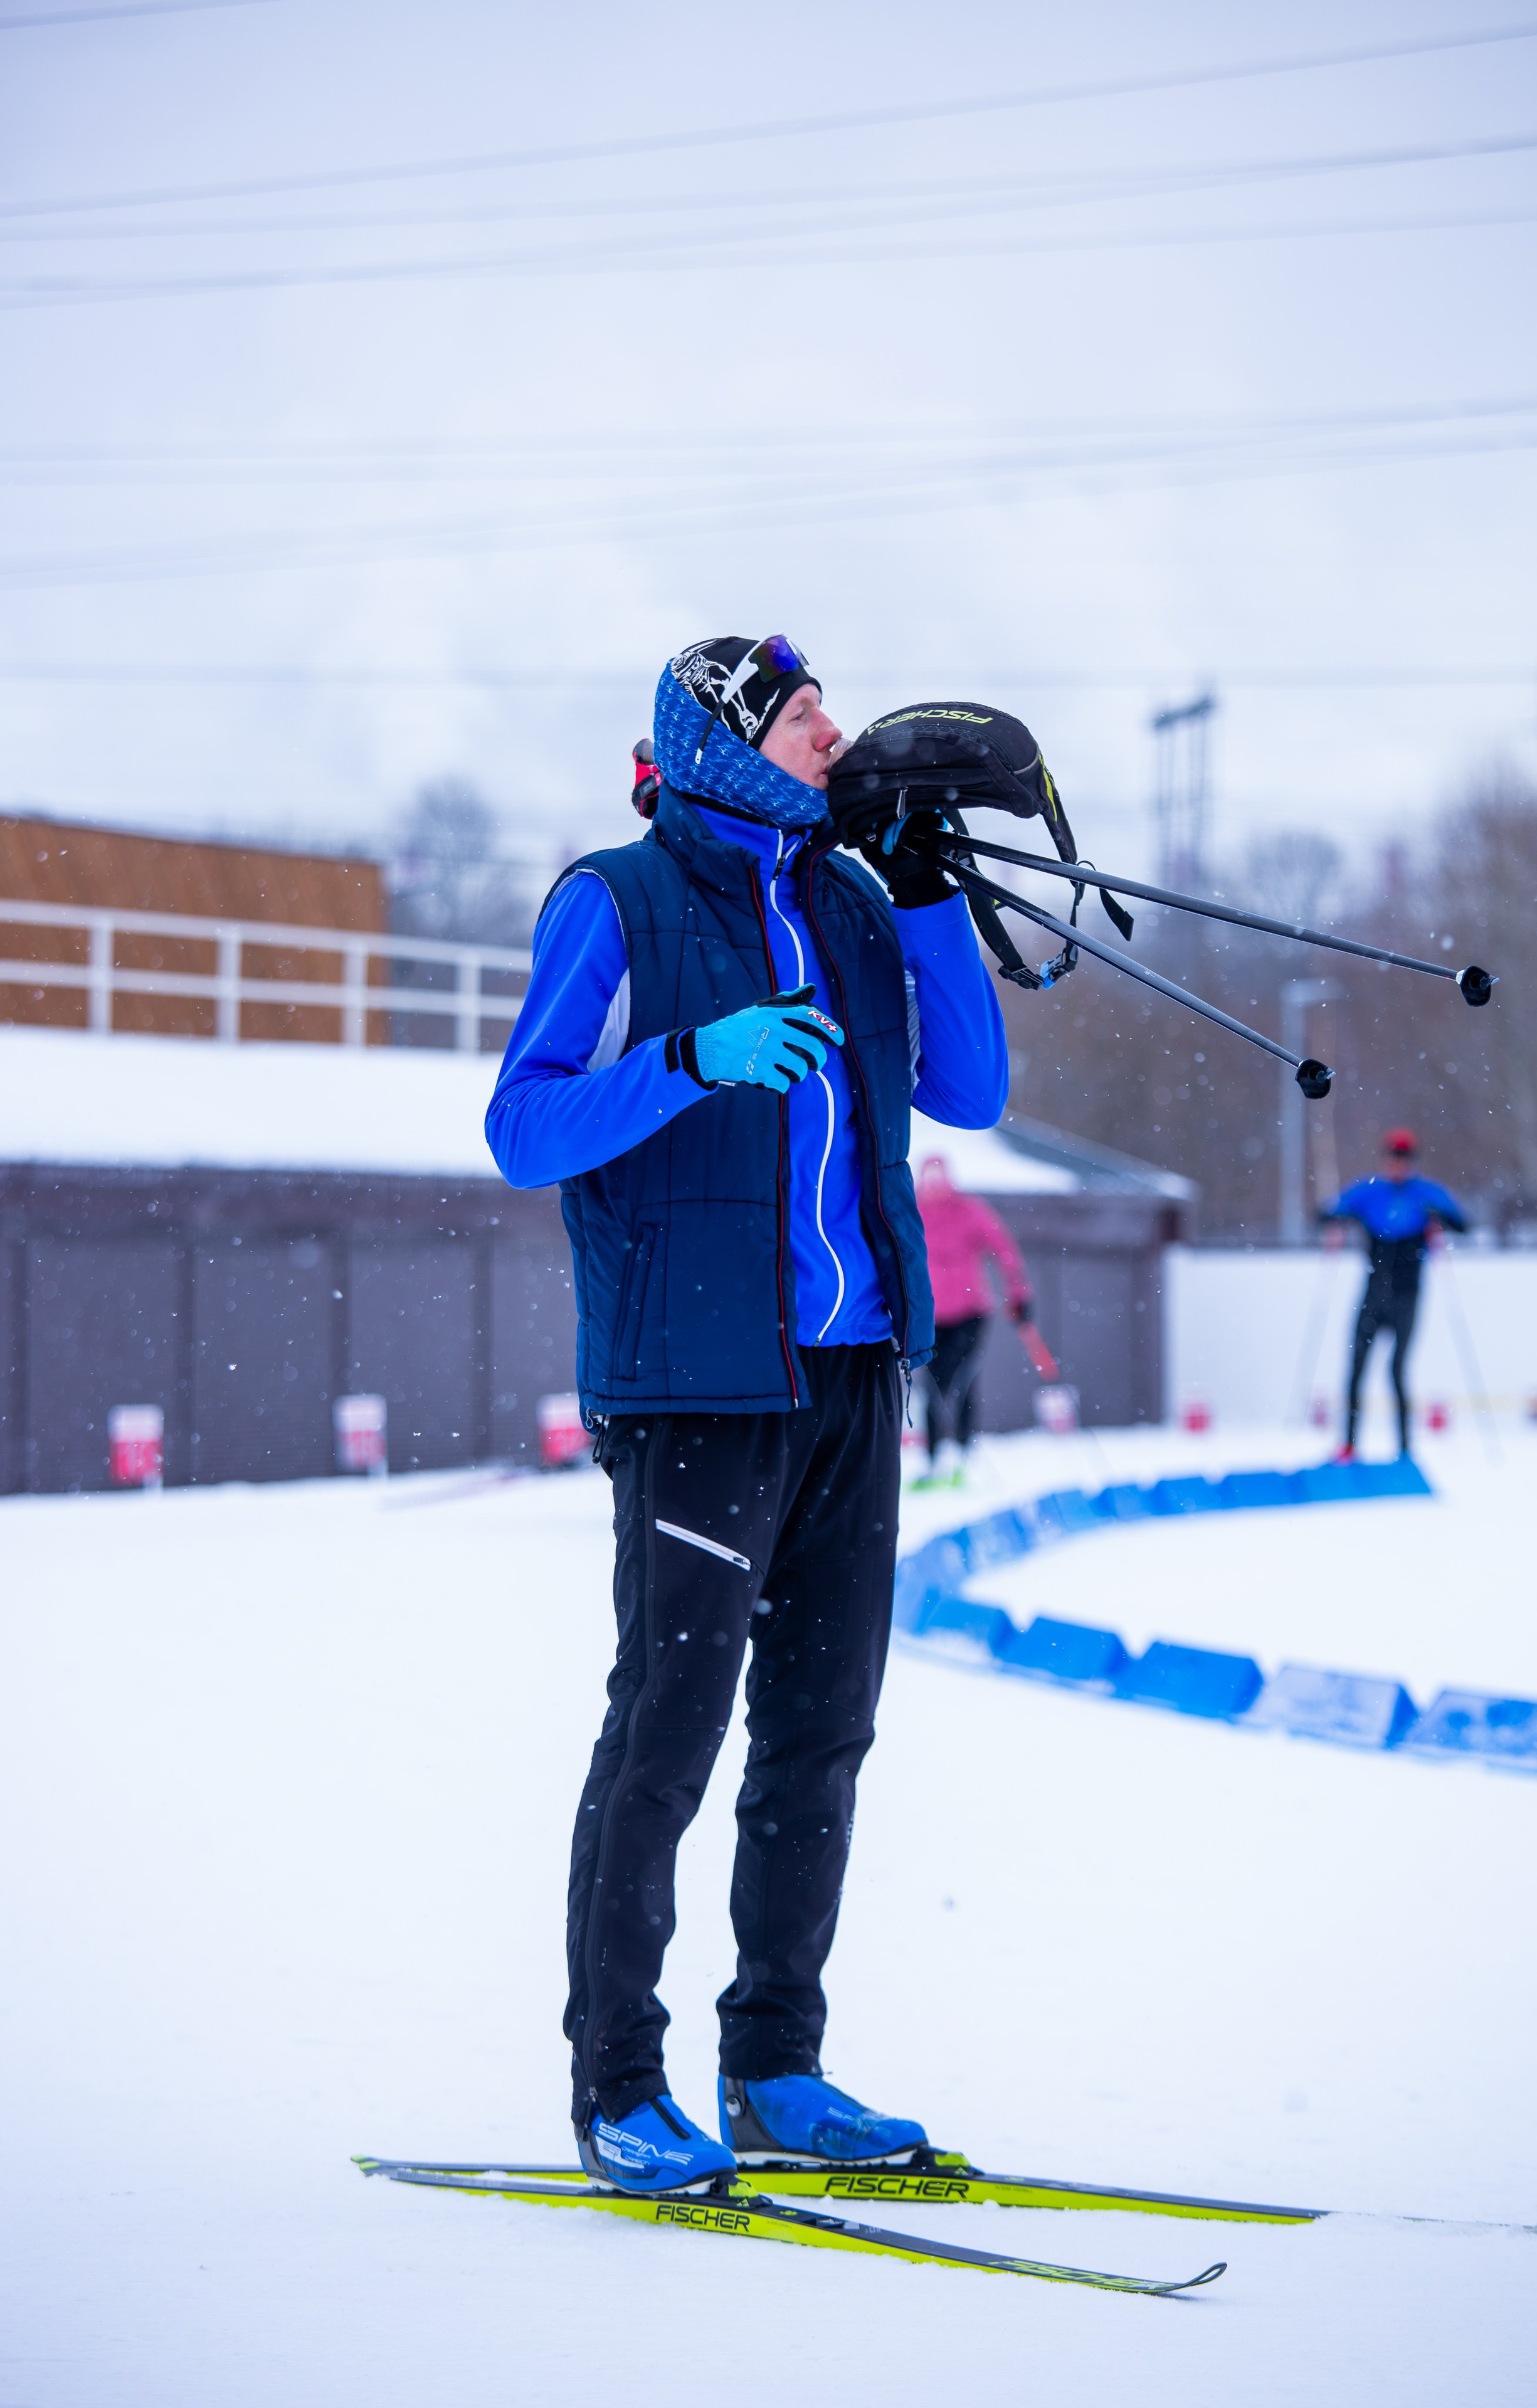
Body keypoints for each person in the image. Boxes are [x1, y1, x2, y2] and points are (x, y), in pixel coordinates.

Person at [485, 636, 1010, 2194]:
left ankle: (775, 2064)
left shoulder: (847, 898)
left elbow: (967, 1090)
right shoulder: (617, 900)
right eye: (800, 715)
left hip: (850, 1370)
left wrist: (922, 900)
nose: (834, 732)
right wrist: (683, 1058)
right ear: (722, 740)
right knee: (664, 1733)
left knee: (818, 1735)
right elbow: (523, 1122)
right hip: (697, 1383)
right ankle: (618, 2086)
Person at [1319, 1128, 1468, 1460]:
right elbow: (1327, 1212)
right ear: (1386, 1159)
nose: (1398, 1164)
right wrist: (1339, 1217)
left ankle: (1404, 1450)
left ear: (1412, 1161)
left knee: (1397, 1370)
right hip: (1373, 1293)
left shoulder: (1426, 1193)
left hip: (1407, 1295)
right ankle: (1349, 1445)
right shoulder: (1369, 1192)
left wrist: (1441, 1216)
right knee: (1356, 1366)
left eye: (1404, 1158)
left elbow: (1463, 1222)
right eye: (1393, 1157)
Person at [912, 1154, 1032, 1487]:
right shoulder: (914, 1211)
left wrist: (1019, 1292)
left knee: (963, 1380)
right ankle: (934, 1459)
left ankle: (965, 1455)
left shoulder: (968, 1210)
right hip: (930, 1315)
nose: (934, 1184)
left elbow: (1003, 1248)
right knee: (933, 1385)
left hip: (970, 1312)